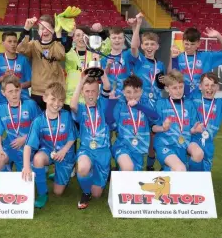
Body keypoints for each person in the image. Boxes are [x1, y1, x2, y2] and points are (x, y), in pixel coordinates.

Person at [22, 82, 77, 208]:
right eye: (53, 99)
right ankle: (43, 194)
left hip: (65, 153)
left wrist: (64, 150)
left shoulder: (66, 116)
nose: (56, 103)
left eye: (60, 100)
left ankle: (61, 174)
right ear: (45, 98)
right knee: (37, 159)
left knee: (58, 192)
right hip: (47, 151)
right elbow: (28, 146)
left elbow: (72, 137)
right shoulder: (38, 121)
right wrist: (26, 166)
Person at [70, 70, 111, 209]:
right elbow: (72, 106)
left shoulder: (103, 105)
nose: (91, 94)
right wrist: (81, 82)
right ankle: (85, 193)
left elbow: (107, 86)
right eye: (87, 91)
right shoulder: (81, 109)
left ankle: (101, 173)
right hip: (86, 150)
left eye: (93, 91)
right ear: (82, 92)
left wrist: (100, 70)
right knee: (82, 168)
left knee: (97, 194)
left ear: (98, 92)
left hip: (103, 152)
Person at [131, 15, 166, 171]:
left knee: (153, 137)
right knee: (137, 134)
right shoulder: (139, 60)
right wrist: (137, 25)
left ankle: (150, 166)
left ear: (157, 46)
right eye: (146, 44)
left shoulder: (160, 64)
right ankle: (130, 164)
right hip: (141, 105)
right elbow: (133, 47)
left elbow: (160, 84)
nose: (150, 47)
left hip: (156, 106)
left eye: (153, 44)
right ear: (143, 46)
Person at [151, 70, 204, 171]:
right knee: (180, 168)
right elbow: (153, 127)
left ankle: (192, 179)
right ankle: (172, 172)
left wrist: (194, 130)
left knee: (198, 153)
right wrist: (163, 128)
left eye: (181, 87)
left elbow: (192, 128)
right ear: (167, 88)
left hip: (184, 142)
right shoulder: (161, 104)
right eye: (174, 88)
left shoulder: (189, 104)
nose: (178, 91)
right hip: (165, 144)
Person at [108, 75, 159, 172]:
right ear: (123, 92)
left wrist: (138, 106)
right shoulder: (120, 105)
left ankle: (116, 184)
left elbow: (155, 117)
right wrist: (111, 103)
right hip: (122, 146)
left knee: (131, 178)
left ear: (142, 91)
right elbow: (110, 123)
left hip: (139, 150)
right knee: (127, 167)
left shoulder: (146, 104)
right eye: (128, 92)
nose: (132, 95)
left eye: (136, 91)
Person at [16, 15, 67, 111]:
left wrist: (59, 35)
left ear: (53, 30)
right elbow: (20, 49)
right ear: (38, 31)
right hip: (37, 92)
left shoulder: (57, 45)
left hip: (55, 93)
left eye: (48, 28)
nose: (45, 31)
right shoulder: (33, 45)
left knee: (54, 122)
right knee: (38, 121)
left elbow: (61, 55)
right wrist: (26, 29)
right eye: (42, 28)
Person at [0, 75, 41, 171]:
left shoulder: (30, 105)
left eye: (16, 90)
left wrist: (24, 138)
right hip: (10, 147)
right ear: (3, 93)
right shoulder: (1, 109)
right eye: (10, 91)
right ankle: (7, 177)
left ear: (21, 89)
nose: (14, 94)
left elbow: (39, 129)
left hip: (28, 147)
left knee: (25, 179)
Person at [170, 27, 222, 98]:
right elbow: (171, 74)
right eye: (186, 44)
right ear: (182, 42)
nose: (189, 47)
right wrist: (172, 57)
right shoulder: (178, 56)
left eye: (192, 44)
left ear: (198, 43)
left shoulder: (206, 56)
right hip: (182, 97)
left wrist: (219, 36)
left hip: (201, 98)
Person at [0, 31, 32, 104]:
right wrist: (3, 77)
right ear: (3, 43)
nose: (13, 44)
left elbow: (30, 82)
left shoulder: (23, 59)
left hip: (23, 99)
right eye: (9, 41)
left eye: (15, 41)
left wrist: (17, 87)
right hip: (3, 100)